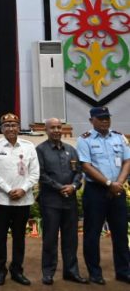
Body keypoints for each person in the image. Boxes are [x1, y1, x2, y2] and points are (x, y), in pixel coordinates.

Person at [76, 106, 130, 285]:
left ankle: (123, 271)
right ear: (92, 120)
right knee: (92, 233)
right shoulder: (85, 140)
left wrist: (119, 183)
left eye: (107, 117)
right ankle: (95, 272)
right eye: (101, 118)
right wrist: (108, 184)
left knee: (121, 233)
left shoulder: (119, 137)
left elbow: (127, 161)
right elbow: (86, 166)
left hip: (118, 191)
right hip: (96, 192)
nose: (105, 120)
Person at [0, 113, 39, 286]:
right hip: (2, 200)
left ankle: (17, 270)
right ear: (1, 129)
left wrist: (23, 189)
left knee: (19, 237)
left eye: (14, 125)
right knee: (0, 237)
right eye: (6, 125)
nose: (10, 128)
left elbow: (35, 173)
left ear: (18, 127)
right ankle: (0, 270)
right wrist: (9, 190)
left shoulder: (29, 146)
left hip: (23, 200)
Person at [36, 117, 86, 285]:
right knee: (50, 239)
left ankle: (71, 272)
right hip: (51, 201)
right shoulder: (40, 150)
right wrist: (60, 187)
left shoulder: (71, 150)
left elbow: (79, 172)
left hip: (70, 201)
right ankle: (48, 273)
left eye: (59, 127)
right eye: (53, 128)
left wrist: (73, 185)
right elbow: (41, 175)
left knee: (71, 239)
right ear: (46, 130)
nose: (56, 130)